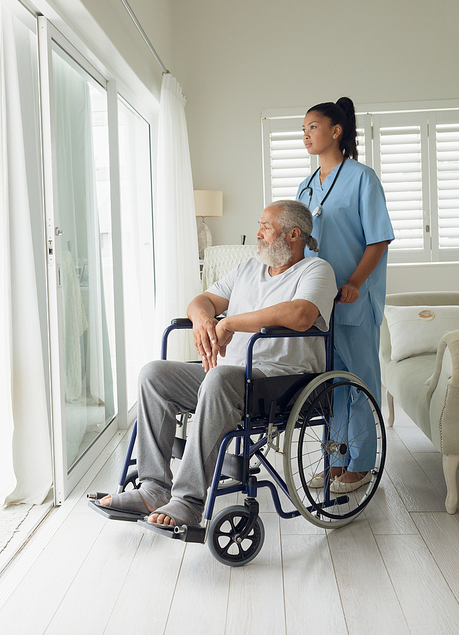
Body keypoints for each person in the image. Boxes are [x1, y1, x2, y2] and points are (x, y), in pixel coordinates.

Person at [97, 200, 337, 528]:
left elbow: (301, 314)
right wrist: (203, 320)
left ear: (293, 234)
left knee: (219, 377)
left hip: (279, 381)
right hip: (226, 376)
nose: (258, 234)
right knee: (153, 374)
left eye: (266, 227)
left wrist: (230, 323)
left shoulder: (316, 270)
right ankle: (153, 488)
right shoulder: (249, 268)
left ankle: (189, 500)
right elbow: (203, 300)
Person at [297, 97, 394, 492]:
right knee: (330, 384)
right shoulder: (304, 187)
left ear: (335, 132)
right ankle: (336, 460)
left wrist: (353, 282)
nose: (305, 135)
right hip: (320, 303)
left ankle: (362, 463)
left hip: (354, 299)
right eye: (302, 130)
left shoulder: (362, 177)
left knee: (360, 380)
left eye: (312, 128)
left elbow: (379, 239)